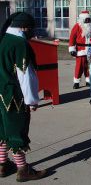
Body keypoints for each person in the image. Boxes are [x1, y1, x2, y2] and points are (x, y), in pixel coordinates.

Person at [0, 12, 47, 182]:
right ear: (24, 27)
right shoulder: (20, 44)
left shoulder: (3, 39)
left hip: (0, 93)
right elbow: (26, 74)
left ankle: (2, 165)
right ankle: (22, 169)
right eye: (30, 29)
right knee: (16, 132)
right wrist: (32, 100)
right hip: (13, 96)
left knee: (3, 131)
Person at [69, 10, 91, 89]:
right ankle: (76, 82)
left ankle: (88, 80)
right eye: (86, 20)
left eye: (89, 20)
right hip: (80, 50)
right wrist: (72, 49)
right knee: (79, 66)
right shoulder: (77, 26)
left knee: (89, 66)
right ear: (82, 20)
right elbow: (72, 37)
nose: (88, 21)